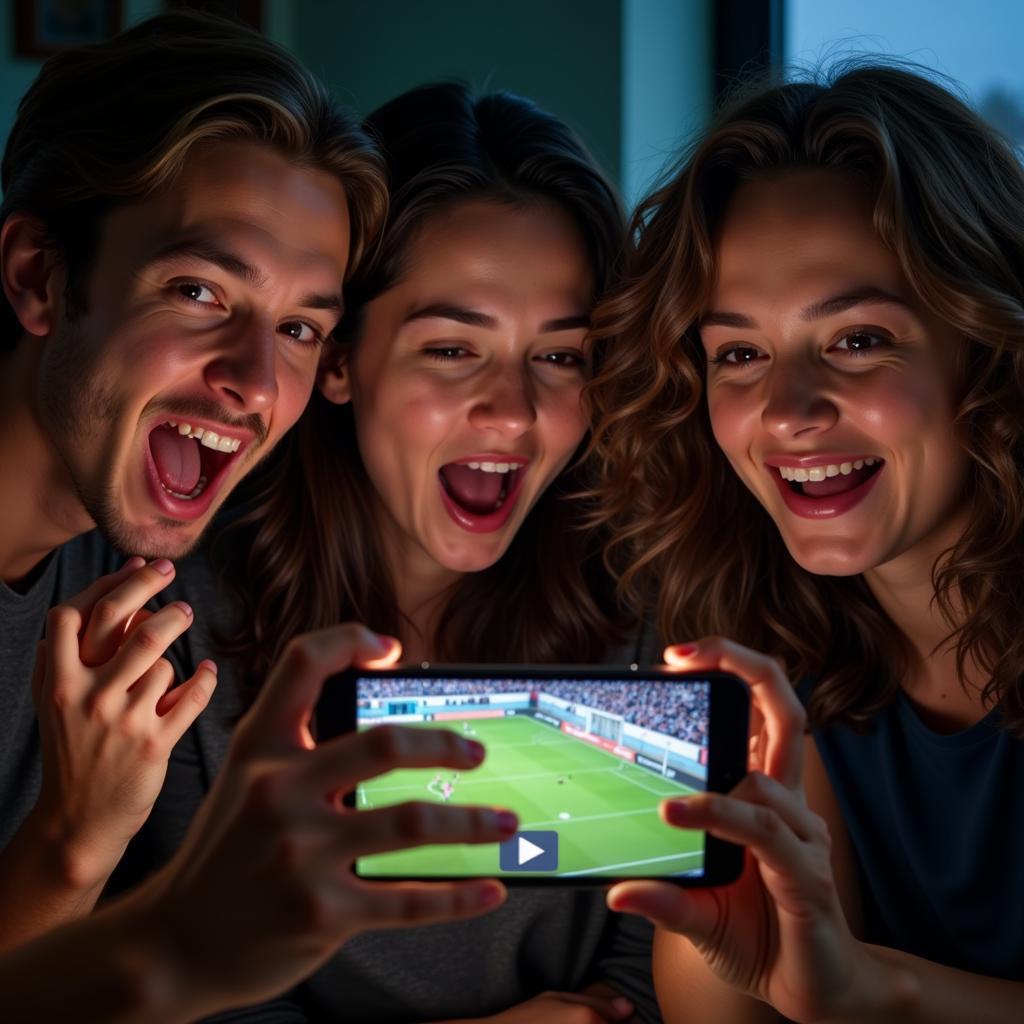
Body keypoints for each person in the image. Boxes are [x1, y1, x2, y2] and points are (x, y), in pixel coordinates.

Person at [1, 13, 521, 1019]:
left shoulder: (139, 564)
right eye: (196, 290)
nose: (252, 381)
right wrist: (72, 846)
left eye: (296, 327)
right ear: (40, 277)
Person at [143, 82, 658, 1022]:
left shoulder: (645, 605)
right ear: (339, 360)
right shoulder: (182, 615)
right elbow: (175, 984)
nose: (511, 408)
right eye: (452, 350)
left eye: (560, 356)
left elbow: (651, 975)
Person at [586, 63, 1024, 1022]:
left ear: (985, 345)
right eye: (739, 354)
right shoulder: (766, 659)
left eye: (859, 339)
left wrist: (871, 991)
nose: (786, 412)